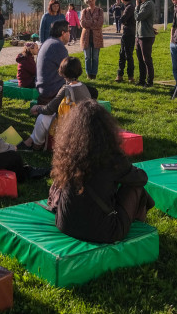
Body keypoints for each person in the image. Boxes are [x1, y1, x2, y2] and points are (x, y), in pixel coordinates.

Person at [47, 101, 154, 243]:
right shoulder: (111, 157)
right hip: (103, 232)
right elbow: (141, 179)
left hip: (64, 224)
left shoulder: (67, 155)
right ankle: (139, 233)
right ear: (107, 129)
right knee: (135, 188)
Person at [19, 57, 92, 151]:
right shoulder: (83, 86)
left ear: (63, 71)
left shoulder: (66, 89)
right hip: (83, 126)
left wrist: (37, 108)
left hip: (70, 128)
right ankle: (30, 142)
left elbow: (49, 110)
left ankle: (36, 145)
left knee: (42, 118)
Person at [36, 21, 70, 104]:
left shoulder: (48, 42)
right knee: (91, 92)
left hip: (42, 87)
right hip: (52, 89)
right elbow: (70, 71)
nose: (70, 34)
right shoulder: (57, 46)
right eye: (69, 31)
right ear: (63, 33)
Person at [134, 0, 156, 87]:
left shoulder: (148, 4)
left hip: (146, 36)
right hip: (139, 35)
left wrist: (136, 6)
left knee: (146, 59)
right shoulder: (143, 4)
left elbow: (138, 17)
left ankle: (149, 81)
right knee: (140, 59)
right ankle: (141, 80)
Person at [80, 0, 104, 80]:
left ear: (95, 0)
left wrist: (89, 23)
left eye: (92, 0)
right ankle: (88, 74)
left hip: (96, 37)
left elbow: (100, 24)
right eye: (89, 1)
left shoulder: (100, 11)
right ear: (87, 2)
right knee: (87, 57)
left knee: (95, 57)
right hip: (86, 37)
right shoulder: (84, 11)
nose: (91, 2)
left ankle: (94, 74)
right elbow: (82, 23)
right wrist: (93, 21)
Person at [116, 0, 136, 83]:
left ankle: (129, 76)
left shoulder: (129, 7)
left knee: (126, 55)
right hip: (129, 32)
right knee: (124, 54)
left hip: (128, 33)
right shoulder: (131, 6)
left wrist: (123, 21)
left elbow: (122, 19)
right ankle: (121, 75)